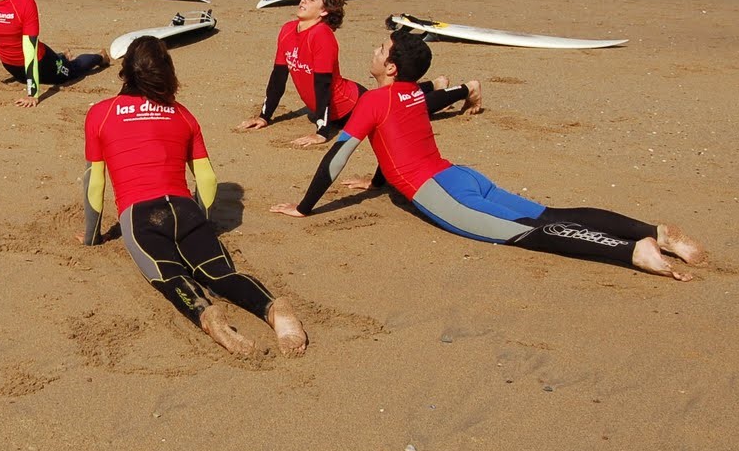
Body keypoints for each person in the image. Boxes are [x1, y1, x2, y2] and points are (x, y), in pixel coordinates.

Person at [271, 30, 707, 280]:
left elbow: (336, 158)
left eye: (380, 50)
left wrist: (304, 207)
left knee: (529, 233)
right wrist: (375, 182)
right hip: (461, 176)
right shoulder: (413, 95)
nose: (374, 51)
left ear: (390, 67)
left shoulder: (372, 100)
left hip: (441, 194)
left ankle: (632, 252)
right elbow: (398, 142)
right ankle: (657, 232)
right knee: (548, 212)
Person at [82, 36, 307, 358]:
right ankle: (275, 309)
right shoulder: (182, 114)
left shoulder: (101, 114)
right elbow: (206, 179)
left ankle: (207, 314)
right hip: (185, 209)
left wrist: (92, 237)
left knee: (169, 275)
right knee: (222, 274)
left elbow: (95, 183)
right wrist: (201, 219)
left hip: (140, 215)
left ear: (125, 72)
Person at [237, 0, 481, 147]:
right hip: (333, 107)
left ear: (324, 11)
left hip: (350, 105)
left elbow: (323, 85)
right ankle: (432, 85)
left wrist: (322, 131)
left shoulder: (322, 36)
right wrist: (264, 116)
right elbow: (279, 76)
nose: (303, 0)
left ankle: (466, 88)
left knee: (408, 109)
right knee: (399, 100)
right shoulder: (288, 30)